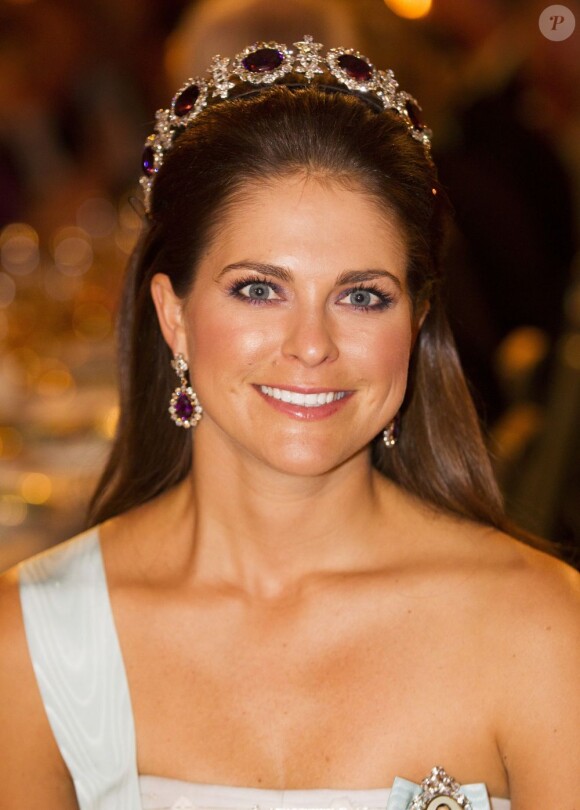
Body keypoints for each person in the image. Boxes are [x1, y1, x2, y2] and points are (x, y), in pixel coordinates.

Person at [0, 36, 578, 810]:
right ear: (173, 317)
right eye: (258, 290)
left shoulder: (543, 631)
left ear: (417, 321)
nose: (311, 345)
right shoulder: (32, 644)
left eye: (363, 296)